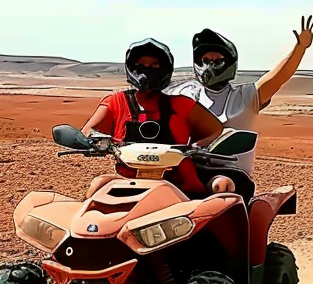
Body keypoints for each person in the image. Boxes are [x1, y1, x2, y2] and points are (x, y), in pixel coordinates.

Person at [164, 16, 313, 176]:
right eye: (205, 60)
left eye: (217, 60)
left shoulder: (245, 96)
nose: (209, 66)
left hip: (232, 178)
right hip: (186, 173)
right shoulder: (185, 95)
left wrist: (300, 48)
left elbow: (279, 77)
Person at [81, 38, 228, 199]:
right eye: (141, 65)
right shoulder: (115, 102)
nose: (147, 70)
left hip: (182, 188)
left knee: (215, 211)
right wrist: (99, 142)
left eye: (154, 66)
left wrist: (197, 147)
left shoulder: (182, 105)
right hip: (127, 183)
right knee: (97, 188)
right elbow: (89, 132)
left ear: (165, 69)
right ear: (131, 67)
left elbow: (215, 129)